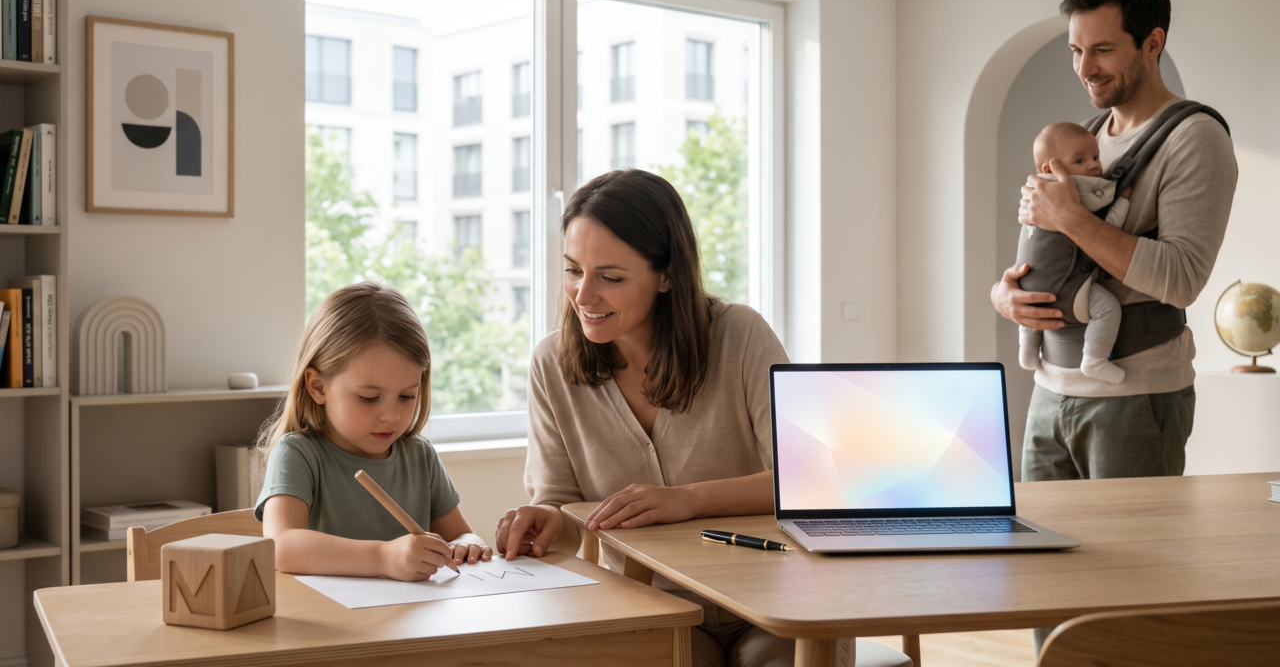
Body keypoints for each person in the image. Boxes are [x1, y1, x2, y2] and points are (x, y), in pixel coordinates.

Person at [494, 169, 909, 667]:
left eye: (611, 277)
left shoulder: (741, 335)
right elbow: (563, 510)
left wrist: (690, 500)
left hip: (779, 596)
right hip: (652, 606)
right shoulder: (552, 364)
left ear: (667, 275)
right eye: (572, 270)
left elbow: (815, 482)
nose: (583, 295)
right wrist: (544, 520)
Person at [988, 0, 1237, 655]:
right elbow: (1040, 250)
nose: (1084, 68)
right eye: (1076, 49)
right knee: (1047, 581)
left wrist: (1072, 217)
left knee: (1130, 595)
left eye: (1102, 49)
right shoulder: (1084, 137)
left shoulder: (1194, 138)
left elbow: (1182, 278)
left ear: (1152, 43)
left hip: (1135, 396)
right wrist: (1004, 296)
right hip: (1050, 392)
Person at [256, 281, 492, 581]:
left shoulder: (419, 456)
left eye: (407, 396)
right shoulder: (298, 453)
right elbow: (282, 546)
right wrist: (384, 558)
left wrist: (467, 544)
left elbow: (461, 535)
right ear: (318, 387)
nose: (391, 416)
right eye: (368, 398)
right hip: (329, 611)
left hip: (411, 611)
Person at [1017, 121, 1131, 384]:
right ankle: (1094, 359)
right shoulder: (1076, 192)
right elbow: (1105, 231)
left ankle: (1028, 350)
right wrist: (1122, 201)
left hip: (1026, 280)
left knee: (1031, 307)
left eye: (1095, 157)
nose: (1093, 166)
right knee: (1107, 310)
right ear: (1051, 169)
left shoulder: (1035, 192)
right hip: (1067, 285)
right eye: (1080, 161)